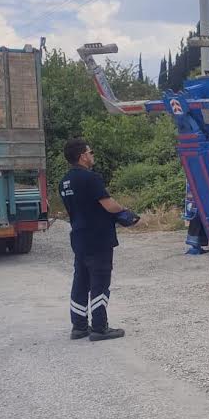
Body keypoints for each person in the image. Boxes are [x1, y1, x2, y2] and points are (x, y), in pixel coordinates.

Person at [58, 138, 138, 341]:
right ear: (82, 156)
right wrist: (125, 211)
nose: (92, 155)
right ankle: (100, 328)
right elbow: (109, 205)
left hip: (79, 237)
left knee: (81, 282)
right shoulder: (91, 178)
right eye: (90, 152)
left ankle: (79, 327)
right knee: (100, 282)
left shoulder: (64, 182)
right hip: (98, 237)